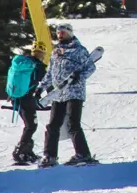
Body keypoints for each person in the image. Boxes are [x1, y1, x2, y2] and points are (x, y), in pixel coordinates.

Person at [35, 23, 97, 167]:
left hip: (74, 93)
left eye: (63, 32)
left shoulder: (79, 50)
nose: (60, 35)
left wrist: (79, 77)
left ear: (70, 33)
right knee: (53, 125)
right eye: (58, 33)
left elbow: (90, 67)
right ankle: (49, 156)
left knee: (72, 124)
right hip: (58, 94)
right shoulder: (56, 51)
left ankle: (83, 154)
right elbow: (50, 72)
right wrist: (40, 88)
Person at [10, 46, 47, 164]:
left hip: (16, 98)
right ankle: (21, 152)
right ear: (42, 54)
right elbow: (47, 81)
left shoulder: (23, 62)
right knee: (31, 125)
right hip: (26, 99)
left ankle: (27, 151)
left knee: (29, 125)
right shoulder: (38, 66)